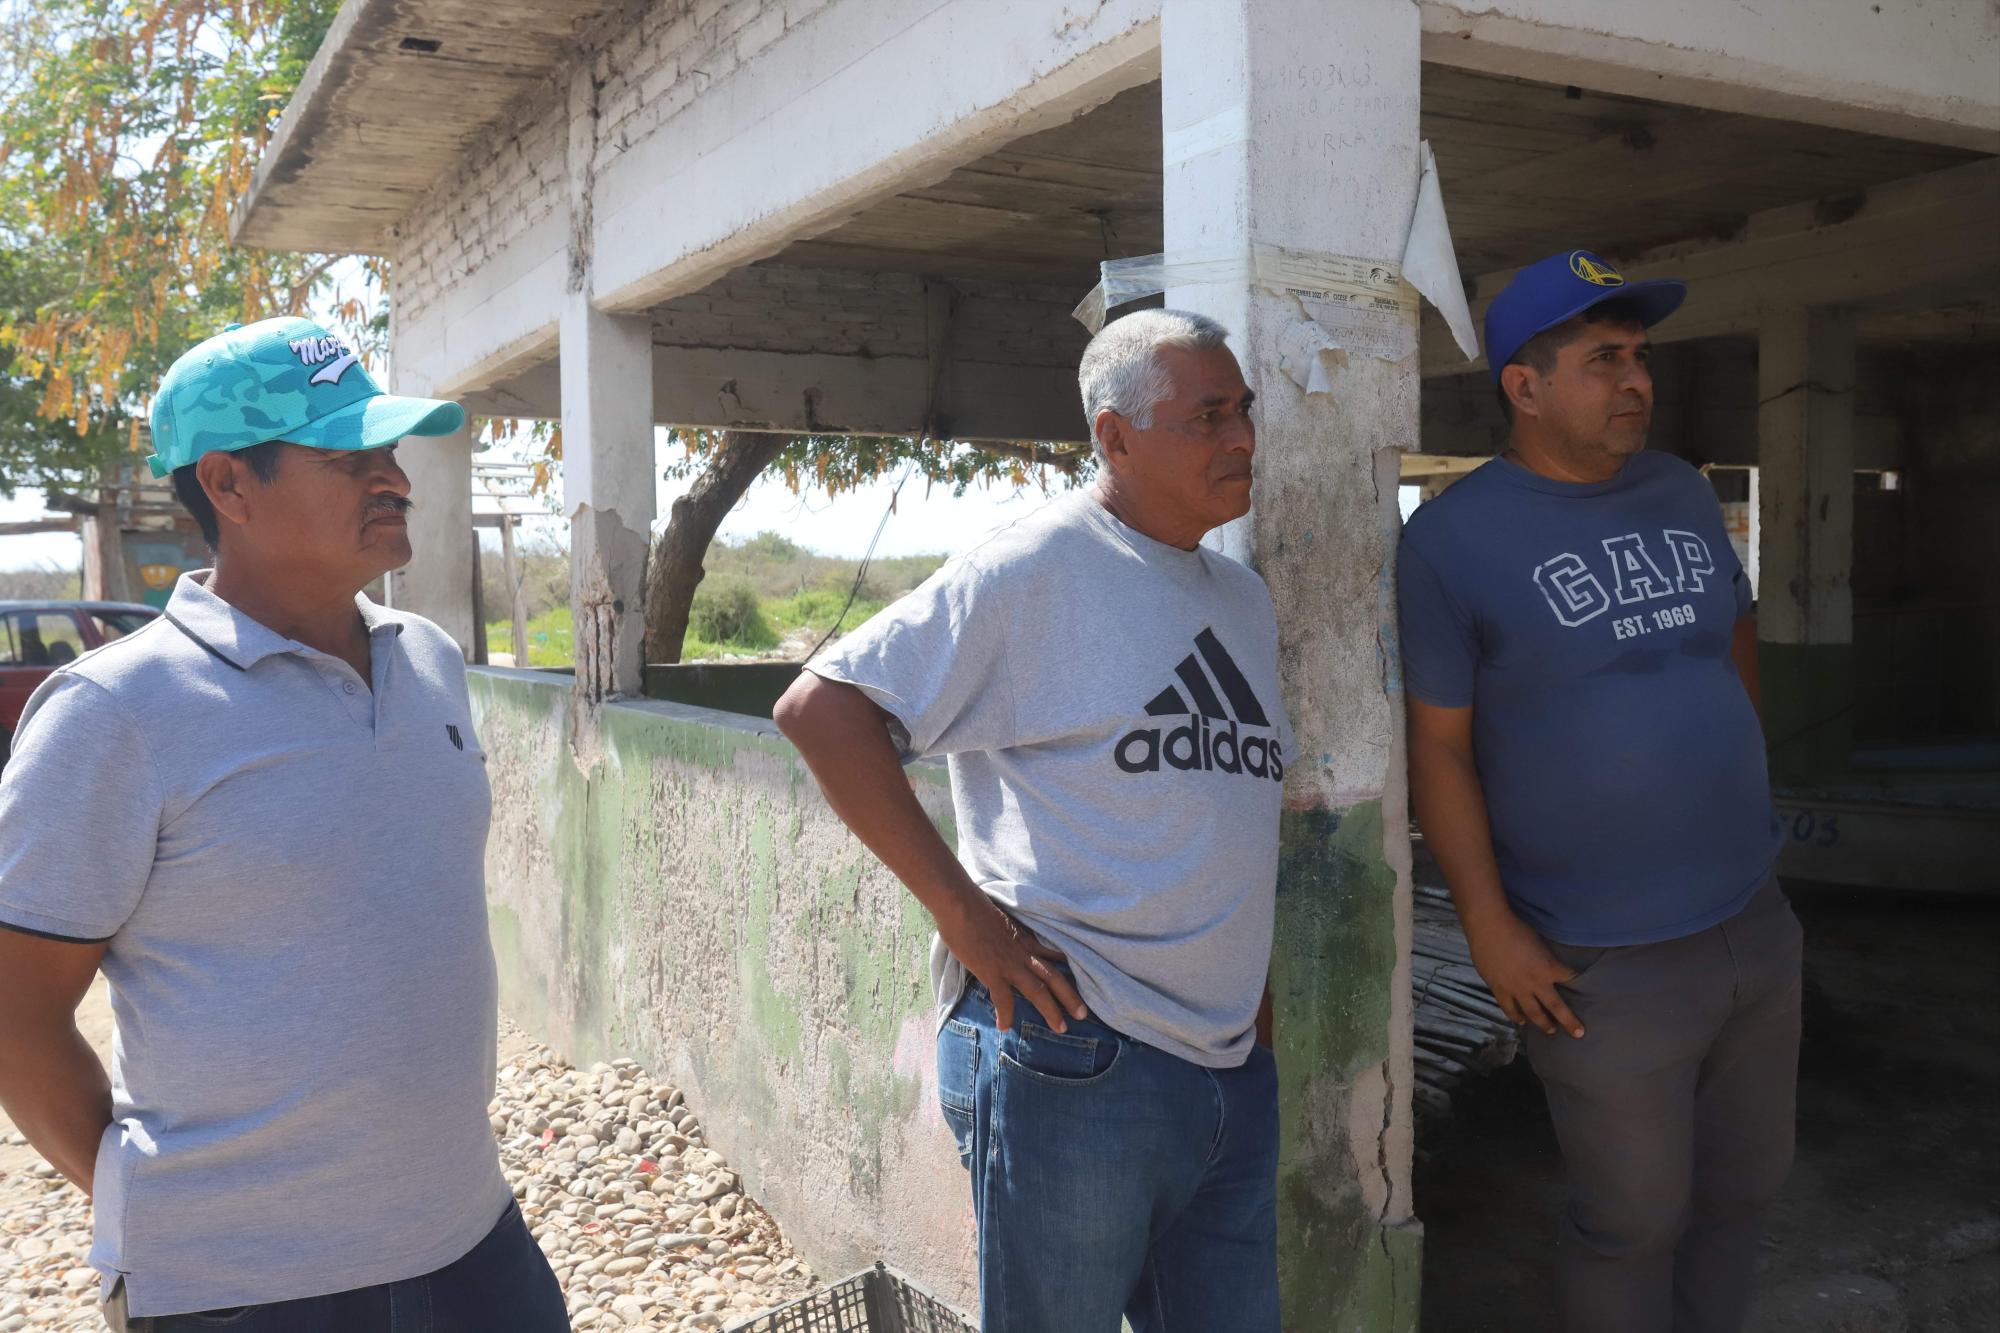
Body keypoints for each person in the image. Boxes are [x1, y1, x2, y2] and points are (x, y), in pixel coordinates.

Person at [0, 318, 568, 1332]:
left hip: (477, 1244)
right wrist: (167, 1215)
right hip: (248, 1294)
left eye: (388, 451)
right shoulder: (115, 713)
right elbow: (15, 1014)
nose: (392, 476)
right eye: (348, 456)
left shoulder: (426, 658)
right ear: (228, 484)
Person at [773, 309, 1290, 1332]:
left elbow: (1222, 816)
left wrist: (1250, 1004)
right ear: (1113, 435)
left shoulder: (1240, 599)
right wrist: (965, 919)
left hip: (1228, 1067)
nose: (1238, 438)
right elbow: (821, 709)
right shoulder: (1034, 567)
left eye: (1242, 411)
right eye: (1207, 416)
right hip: (1076, 1054)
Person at [1400, 250, 1798, 1333]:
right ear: (1521, 388)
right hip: (1599, 957)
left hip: (1750, 921)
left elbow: (1731, 635)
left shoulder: (1677, 486)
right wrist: (1486, 927)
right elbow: (1435, 749)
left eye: (1638, 358)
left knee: (1742, 1191)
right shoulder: (1449, 540)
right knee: (1631, 1216)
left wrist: (1732, 783)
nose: (1634, 382)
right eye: (1601, 361)